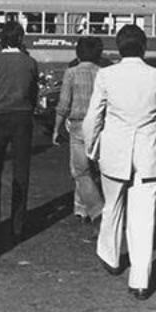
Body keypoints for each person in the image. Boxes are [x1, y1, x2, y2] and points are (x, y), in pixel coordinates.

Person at [84, 24, 156, 300]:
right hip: (149, 154)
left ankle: (110, 257)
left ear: (119, 47)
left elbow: (93, 118)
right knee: (144, 217)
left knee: (112, 206)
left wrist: (92, 148)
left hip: (114, 150)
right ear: (144, 47)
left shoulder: (106, 75)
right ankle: (140, 281)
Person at [0, 20, 39, 243]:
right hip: (23, 119)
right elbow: (34, 95)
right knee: (21, 173)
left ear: (1, 39)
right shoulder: (30, 63)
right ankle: (18, 225)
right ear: (21, 39)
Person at [52, 35, 105, 223]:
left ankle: (96, 209)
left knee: (80, 171)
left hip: (78, 125)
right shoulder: (103, 72)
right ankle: (81, 207)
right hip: (100, 126)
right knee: (95, 169)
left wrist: (56, 128)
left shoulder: (71, 73)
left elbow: (64, 104)